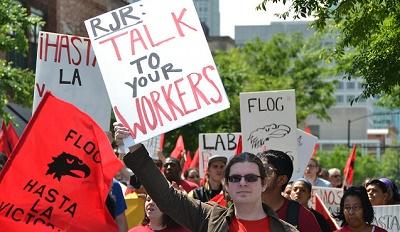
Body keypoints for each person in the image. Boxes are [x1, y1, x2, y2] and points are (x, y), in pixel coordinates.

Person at [115, 122, 298, 232]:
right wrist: (134, 147)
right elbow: (167, 197)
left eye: (250, 177)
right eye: (235, 178)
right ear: (226, 184)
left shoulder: (287, 230)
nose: (243, 183)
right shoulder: (210, 218)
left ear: (263, 183)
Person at [257, 150, 321, 232]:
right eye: (256, 170)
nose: (257, 175)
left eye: (265, 171)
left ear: (281, 180)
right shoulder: (238, 210)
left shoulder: (302, 217)